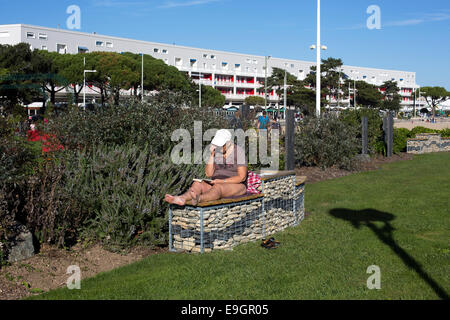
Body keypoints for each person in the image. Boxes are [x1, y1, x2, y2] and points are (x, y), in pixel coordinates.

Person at [164, 129, 248, 206]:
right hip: (216, 182)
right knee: (197, 184)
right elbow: (208, 174)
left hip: (236, 185)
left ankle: (198, 198)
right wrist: (212, 155)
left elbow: (242, 177)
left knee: (218, 188)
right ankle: (182, 198)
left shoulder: (238, 152)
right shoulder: (217, 152)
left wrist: (222, 181)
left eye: (221, 145)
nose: (219, 147)